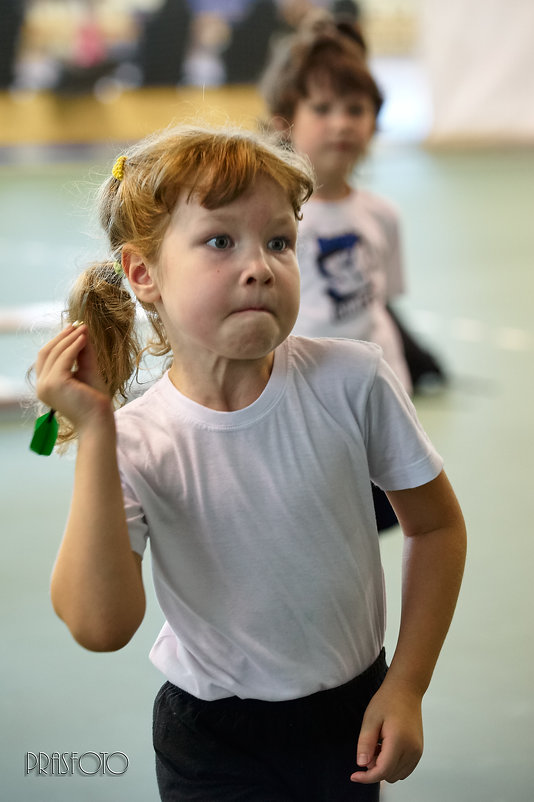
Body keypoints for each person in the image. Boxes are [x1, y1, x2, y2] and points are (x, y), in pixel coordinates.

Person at [34, 124, 466, 802]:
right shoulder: (136, 441)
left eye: (279, 241)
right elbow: (99, 625)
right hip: (212, 739)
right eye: (219, 241)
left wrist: (406, 685)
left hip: (348, 719)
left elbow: (436, 528)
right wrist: (95, 434)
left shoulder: (352, 381)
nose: (260, 264)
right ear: (144, 273)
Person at [260, 12, 446, 394]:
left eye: (355, 110)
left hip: (380, 381)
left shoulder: (382, 214)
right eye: (323, 109)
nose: (342, 123)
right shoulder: (272, 219)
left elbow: (381, 302)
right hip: (304, 385)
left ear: (375, 122)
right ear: (284, 122)